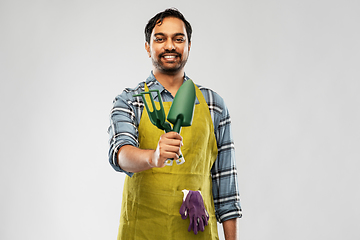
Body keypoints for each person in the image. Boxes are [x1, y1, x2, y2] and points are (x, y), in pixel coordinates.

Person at [108, 8, 242, 240]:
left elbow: (226, 185)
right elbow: (121, 155)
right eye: (160, 39)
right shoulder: (130, 100)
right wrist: (154, 157)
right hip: (142, 232)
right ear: (148, 47)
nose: (170, 46)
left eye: (178, 39)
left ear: (189, 46)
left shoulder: (213, 105)